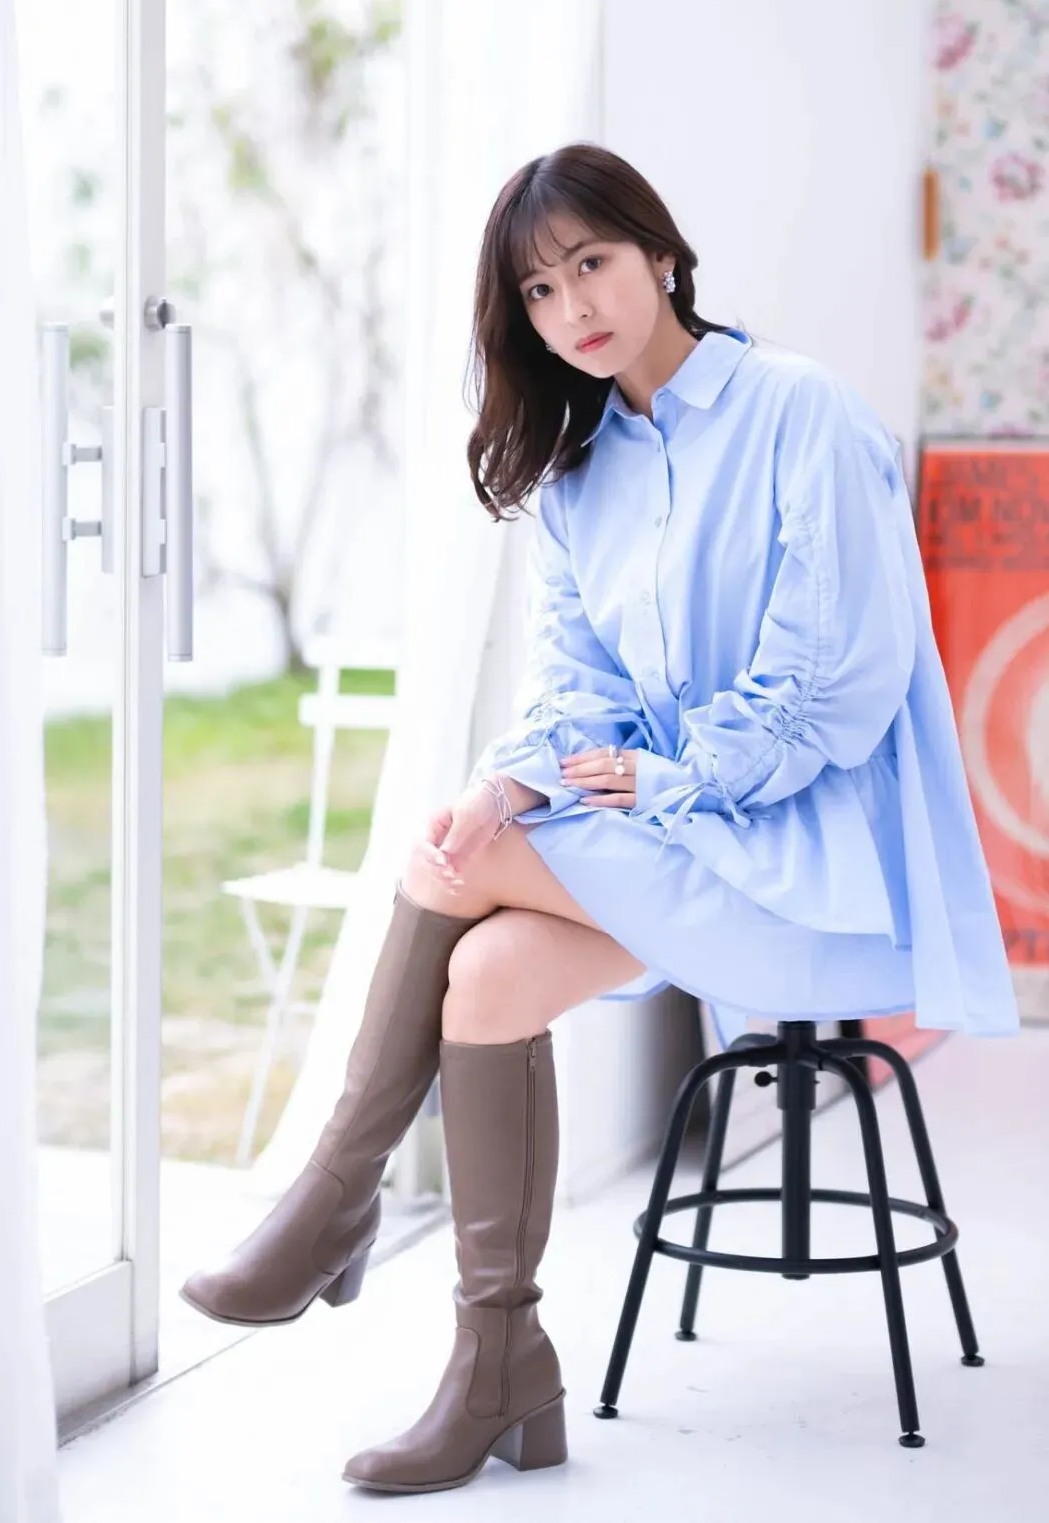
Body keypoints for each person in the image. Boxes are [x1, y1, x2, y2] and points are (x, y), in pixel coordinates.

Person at [179, 142, 1019, 1493]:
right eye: (538, 289)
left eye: (592, 263)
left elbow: (837, 683)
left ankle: (335, 1195)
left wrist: (659, 780)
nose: (572, 305)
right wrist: (506, 785)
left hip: (810, 866)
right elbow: (576, 695)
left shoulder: (802, 413)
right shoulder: (578, 477)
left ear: (661, 257)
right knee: (486, 968)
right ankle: (500, 1365)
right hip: (681, 849)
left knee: (454, 868)